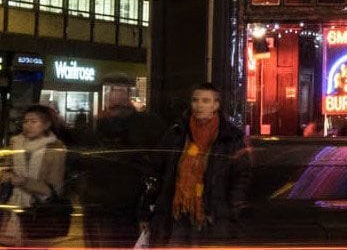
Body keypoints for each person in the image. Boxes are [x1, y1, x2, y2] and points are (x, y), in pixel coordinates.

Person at [141, 83, 251, 246]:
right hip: (176, 214)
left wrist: (231, 212)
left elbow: (240, 177)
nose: (199, 105)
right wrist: (146, 210)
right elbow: (156, 169)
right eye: (195, 100)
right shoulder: (177, 133)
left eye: (205, 101)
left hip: (211, 217)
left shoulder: (230, 138)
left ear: (216, 105)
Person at [81, 76, 166, 247]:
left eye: (120, 90)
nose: (115, 95)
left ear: (128, 94)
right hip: (102, 202)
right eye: (112, 90)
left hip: (130, 201)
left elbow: (155, 161)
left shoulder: (145, 123)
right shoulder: (97, 124)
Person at [1, 105, 69, 246]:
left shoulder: (55, 148)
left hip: (39, 213)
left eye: (33, 121)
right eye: (25, 121)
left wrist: (23, 182)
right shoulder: (15, 143)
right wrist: (5, 175)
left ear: (46, 124)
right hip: (12, 210)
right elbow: (6, 168)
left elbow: (53, 189)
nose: (28, 126)